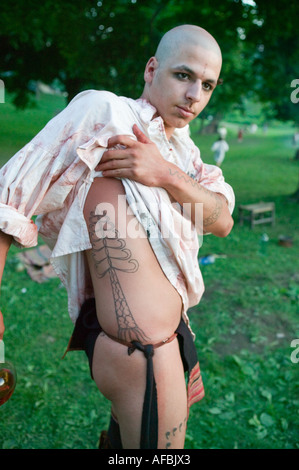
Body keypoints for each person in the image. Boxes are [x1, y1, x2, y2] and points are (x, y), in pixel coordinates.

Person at [0, 24, 234, 449]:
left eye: (207, 85)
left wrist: (163, 174)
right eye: (183, 76)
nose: (194, 95)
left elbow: (220, 219)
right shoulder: (104, 112)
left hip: (167, 346)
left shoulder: (185, 154)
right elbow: (7, 199)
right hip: (138, 358)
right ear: (151, 69)